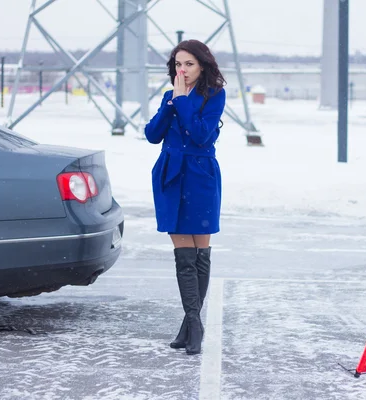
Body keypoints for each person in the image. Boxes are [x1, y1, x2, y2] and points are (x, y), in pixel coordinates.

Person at [144, 39, 226, 355]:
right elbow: (152, 135)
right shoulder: (170, 97)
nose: (183, 70)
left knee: (200, 253)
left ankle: (191, 325)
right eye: (178, 64)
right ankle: (194, 323)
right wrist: (170, 104)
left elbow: (201, 134)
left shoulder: (214, 95)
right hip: (170, 175)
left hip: (201, 175)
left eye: (189, 64)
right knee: (182, 253)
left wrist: (181, 103)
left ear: (202, 66)